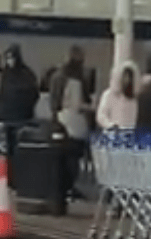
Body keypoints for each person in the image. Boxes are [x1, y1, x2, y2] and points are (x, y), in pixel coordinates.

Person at [50, 45, 94, 201]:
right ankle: (68, 187)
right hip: (73, 122)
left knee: (64, 159)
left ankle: (63, 189)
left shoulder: (58, 76)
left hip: (63, 121)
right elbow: (81, 102)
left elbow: (54, 101)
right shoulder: (78, 78)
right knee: (72, 158)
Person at [96, 61, 141, 132]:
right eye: (125, 76)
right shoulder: (109, 94)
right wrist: (111, 126)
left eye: (129, 77)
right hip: (111, 136)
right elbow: (101, 116)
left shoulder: (133, 99)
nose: (127, 80)